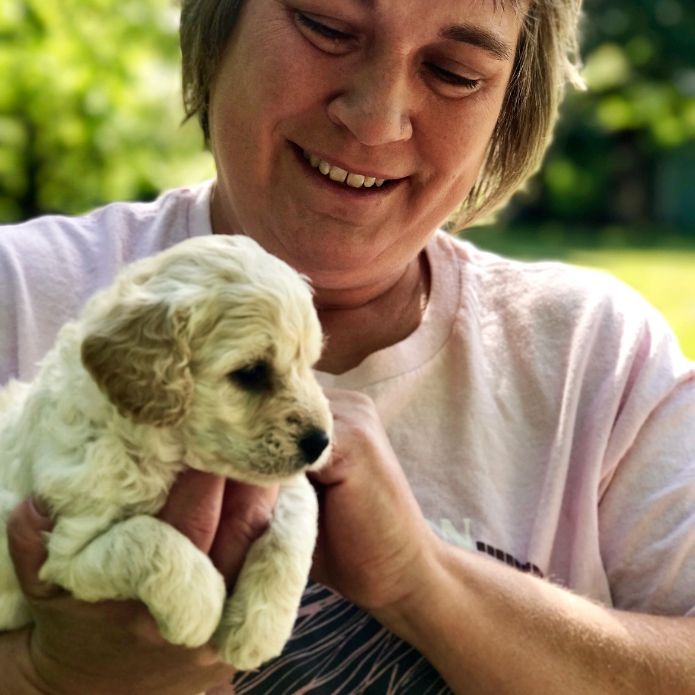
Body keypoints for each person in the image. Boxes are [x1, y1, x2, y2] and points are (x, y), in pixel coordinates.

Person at [1, 0, 693, 692]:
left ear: (511, 102)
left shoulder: (595, 357)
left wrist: (421, 581)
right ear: (218, 22)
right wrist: (44, 674)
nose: (375, 118)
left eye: (453, 72)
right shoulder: (21, 293)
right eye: (326, 26)